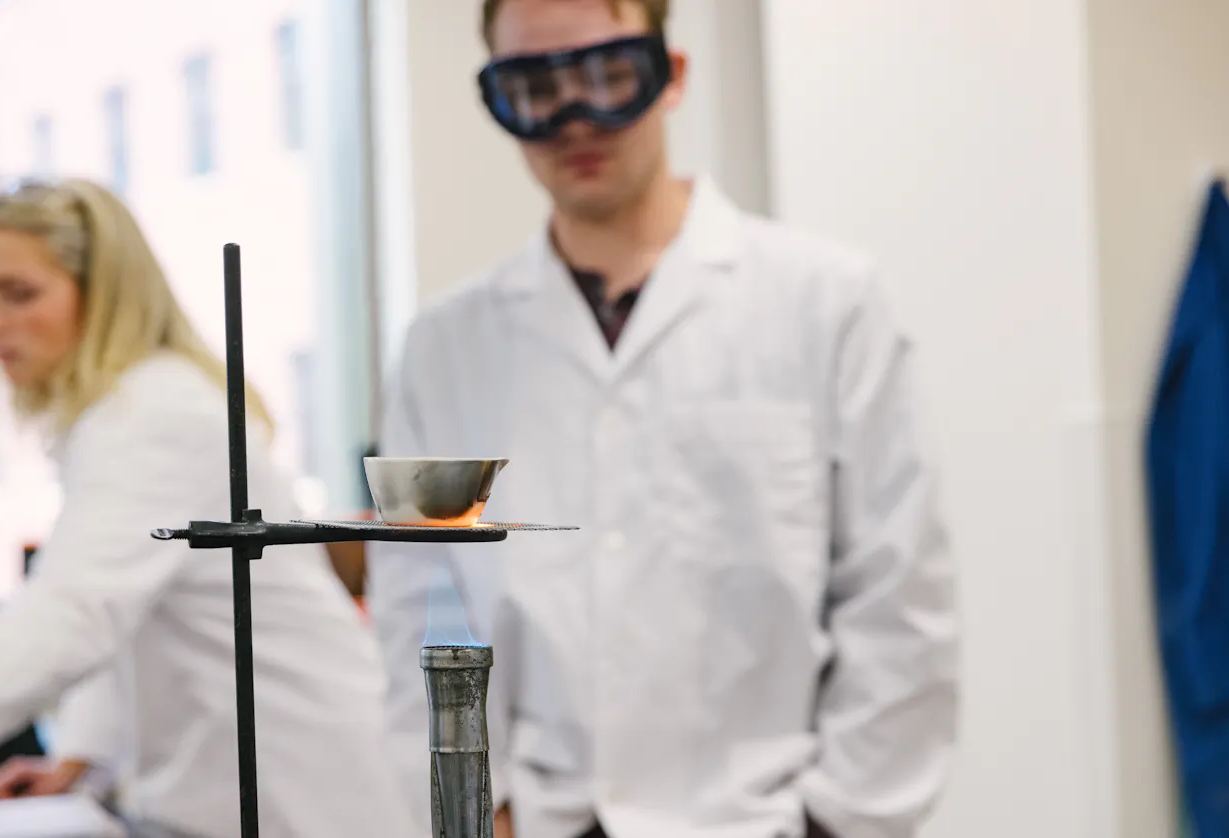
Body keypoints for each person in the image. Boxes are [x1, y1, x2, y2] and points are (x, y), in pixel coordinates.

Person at [369, 1, 959, 837]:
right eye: (533, 87)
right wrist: (478, 814)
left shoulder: (826, 303)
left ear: (669, 74)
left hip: (763, 820)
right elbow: (412, 616)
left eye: (608, 73)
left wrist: (840, 822)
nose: (575, 117)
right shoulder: (444, 346)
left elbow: (899, 602)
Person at [0, 178, 414, 838]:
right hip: (217, 787)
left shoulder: (155, 416)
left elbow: (74, 614)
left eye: (20, 294)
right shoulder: (125, 412)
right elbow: (127, 606)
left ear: (105, 296)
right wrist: (80, 757)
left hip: (296, 788)